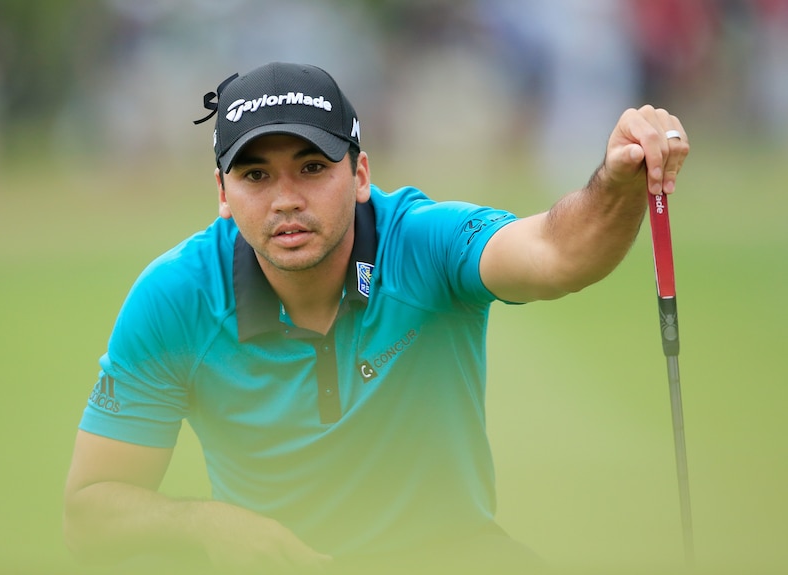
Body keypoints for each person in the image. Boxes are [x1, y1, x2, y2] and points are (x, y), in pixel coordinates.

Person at [63, 61, 689, 574]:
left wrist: (615, 182)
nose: (286, 199)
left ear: (360, 173)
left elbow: (558, 253)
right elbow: (89, 511)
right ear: (224, 195)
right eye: (256, 175)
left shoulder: (421, 240)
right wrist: (207, 525)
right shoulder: (176, 297)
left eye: (312, 168)